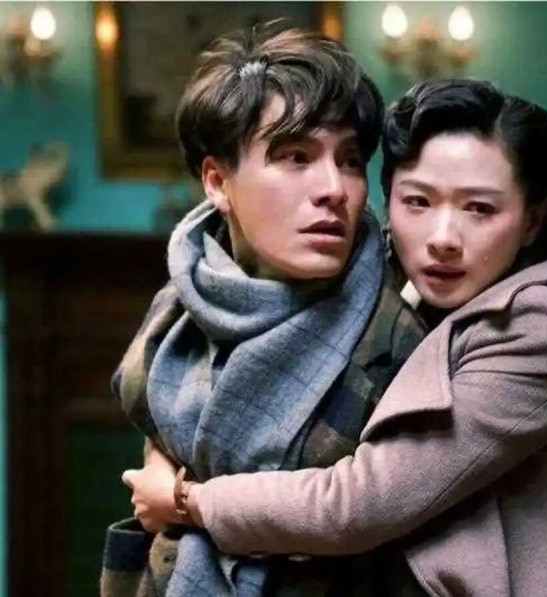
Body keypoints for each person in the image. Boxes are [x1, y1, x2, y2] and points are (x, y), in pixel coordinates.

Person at [127, 79, 547, 595]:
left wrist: (185, 500)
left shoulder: (538, 330)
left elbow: (360, 504)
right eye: (417, 202)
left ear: (533, 219)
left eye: (479, 209)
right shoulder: (384, 283)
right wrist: (163, 455)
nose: (442, 238)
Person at [100, 25, 427, 596]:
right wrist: (159, 463)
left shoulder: (403, 336)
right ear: (217, 181)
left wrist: (181, 498)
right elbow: (164, 428)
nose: (334, 189)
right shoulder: (177, 309)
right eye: (295, 156)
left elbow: (368, 517)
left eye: (350, 160)